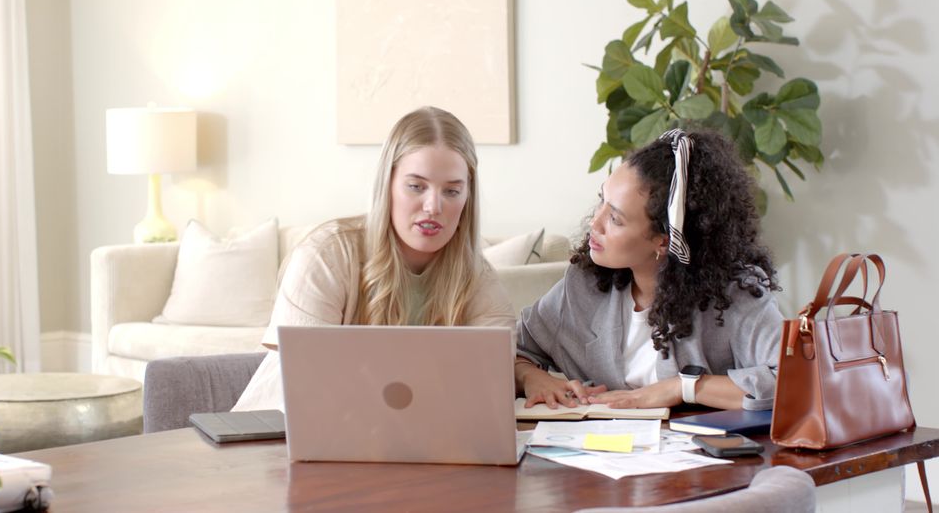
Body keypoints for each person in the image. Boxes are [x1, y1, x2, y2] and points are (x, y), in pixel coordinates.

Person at [233, 106, 515, 411]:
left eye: (451, 191)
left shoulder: (476, 277)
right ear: (387, 185)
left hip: (402, 445)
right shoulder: (327, 254)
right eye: (416, 186)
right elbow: (306, 381)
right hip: (276, 437)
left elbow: (491, 379)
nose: (433, 206)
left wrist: (524, 374)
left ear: (467, 198)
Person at [515, 128, 783, 411]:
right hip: (595, 450)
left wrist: (684, 387)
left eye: (615, 219)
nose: (595, 223)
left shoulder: (734, 295)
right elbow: (512, 352)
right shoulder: (583, 285)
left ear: (664, 241)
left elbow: (793, 382)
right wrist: (532, 377)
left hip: (701, 452)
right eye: (601, 201)